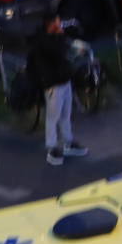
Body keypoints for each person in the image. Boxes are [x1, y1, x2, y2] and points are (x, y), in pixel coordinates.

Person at [28, 18, 83, 165]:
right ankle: (51, 149)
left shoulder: (54, 39)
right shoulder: (45, 42)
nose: (61, 24)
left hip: (64, 83)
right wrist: (60, 36)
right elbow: (58, 53)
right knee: (53, 118)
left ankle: (68, 142)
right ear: (51, 25)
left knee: (66, 114)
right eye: (58, 22)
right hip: (54, 86)